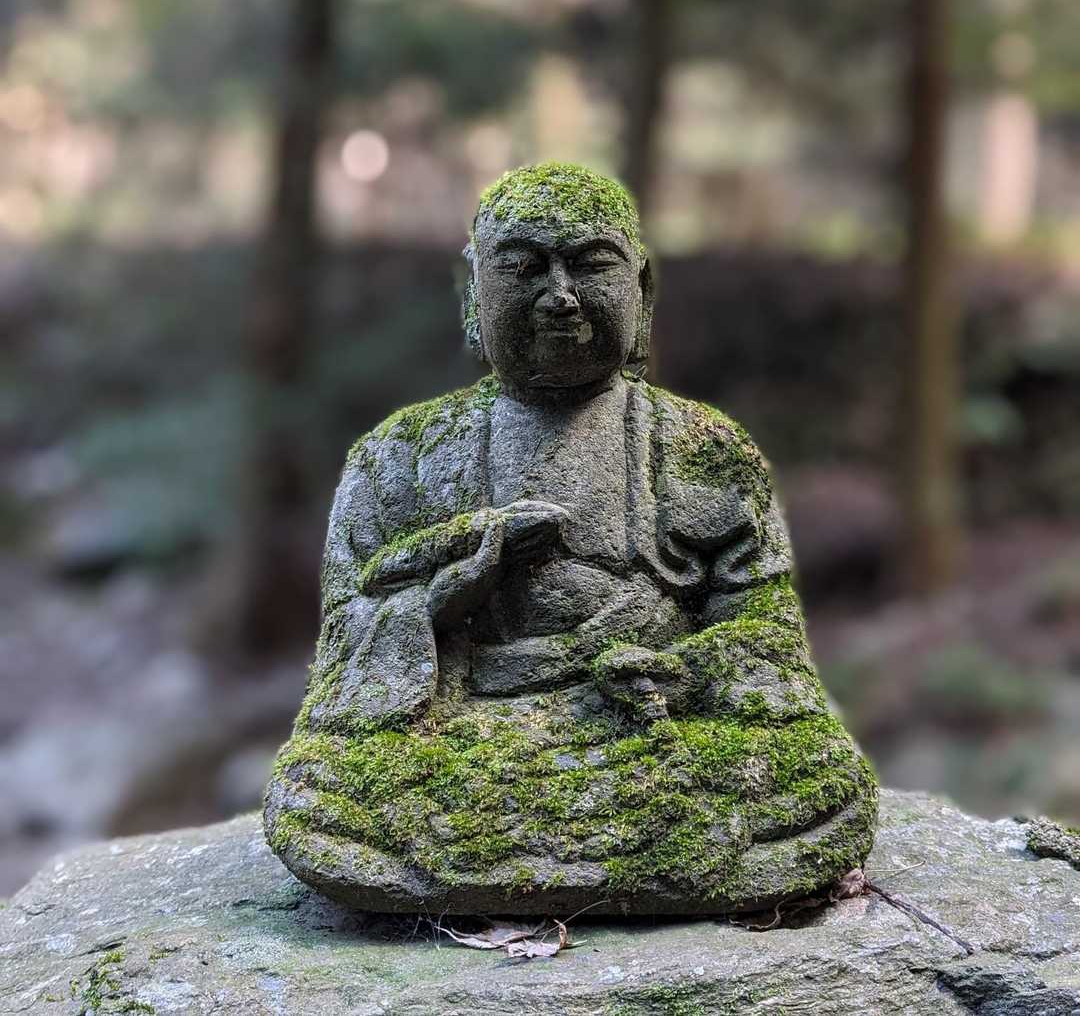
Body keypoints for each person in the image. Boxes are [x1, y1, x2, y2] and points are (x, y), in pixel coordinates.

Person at [264, 163, 877, 915]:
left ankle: (522, 868)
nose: (559, 296)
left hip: (651, 736)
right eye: (523, 269)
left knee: (820, 776)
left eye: (590, 266)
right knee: (319, 791)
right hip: (466, 740)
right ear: (473, 295)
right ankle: (609, 868)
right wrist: (450, 593)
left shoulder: (703, 449)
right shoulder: (400, 458)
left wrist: (681, 671)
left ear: (641, 291)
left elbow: (766, 633)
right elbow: (347, 639)